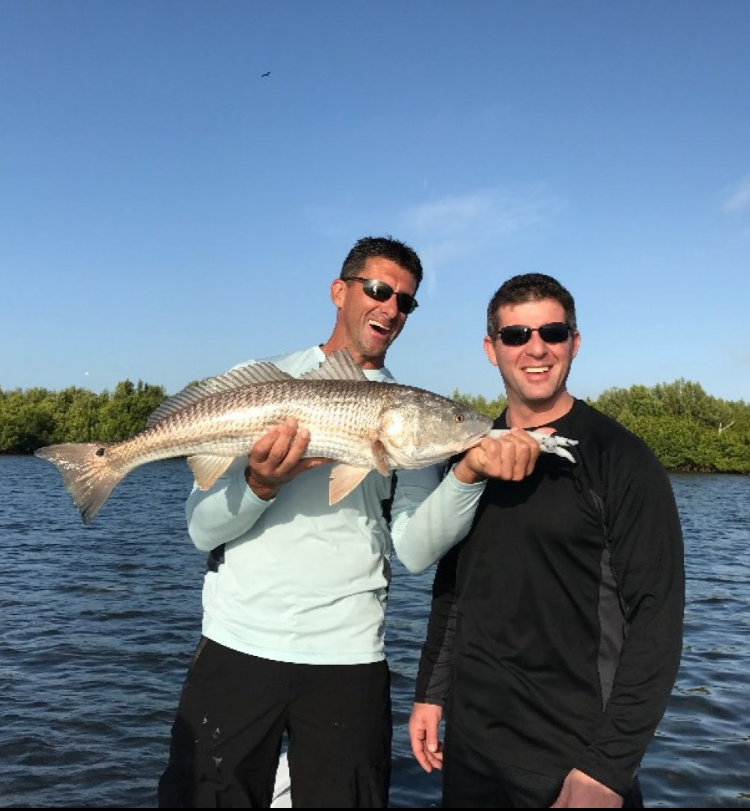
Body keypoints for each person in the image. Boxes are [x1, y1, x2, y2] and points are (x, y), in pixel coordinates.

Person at [158, 237, 544, 808]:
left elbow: (414, 551)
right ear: (340, 291)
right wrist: (260, 485)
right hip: (237, 645)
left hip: (349, 657)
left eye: (406, 302)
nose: (391, 308)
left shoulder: (409, 417)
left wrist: (466, 474)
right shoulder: (260, 383)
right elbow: (201, 531)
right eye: (379, 290)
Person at [409, 273, 685, 809]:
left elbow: (658, 618)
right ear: (491, 349)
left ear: (573, 342)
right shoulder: (468, 457)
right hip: (471, 748)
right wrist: (430, 693)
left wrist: (607, 769)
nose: (535, 349)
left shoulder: (621, 459)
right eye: (516, 335)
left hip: (573, 757)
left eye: (552, 332)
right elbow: (454, 587)